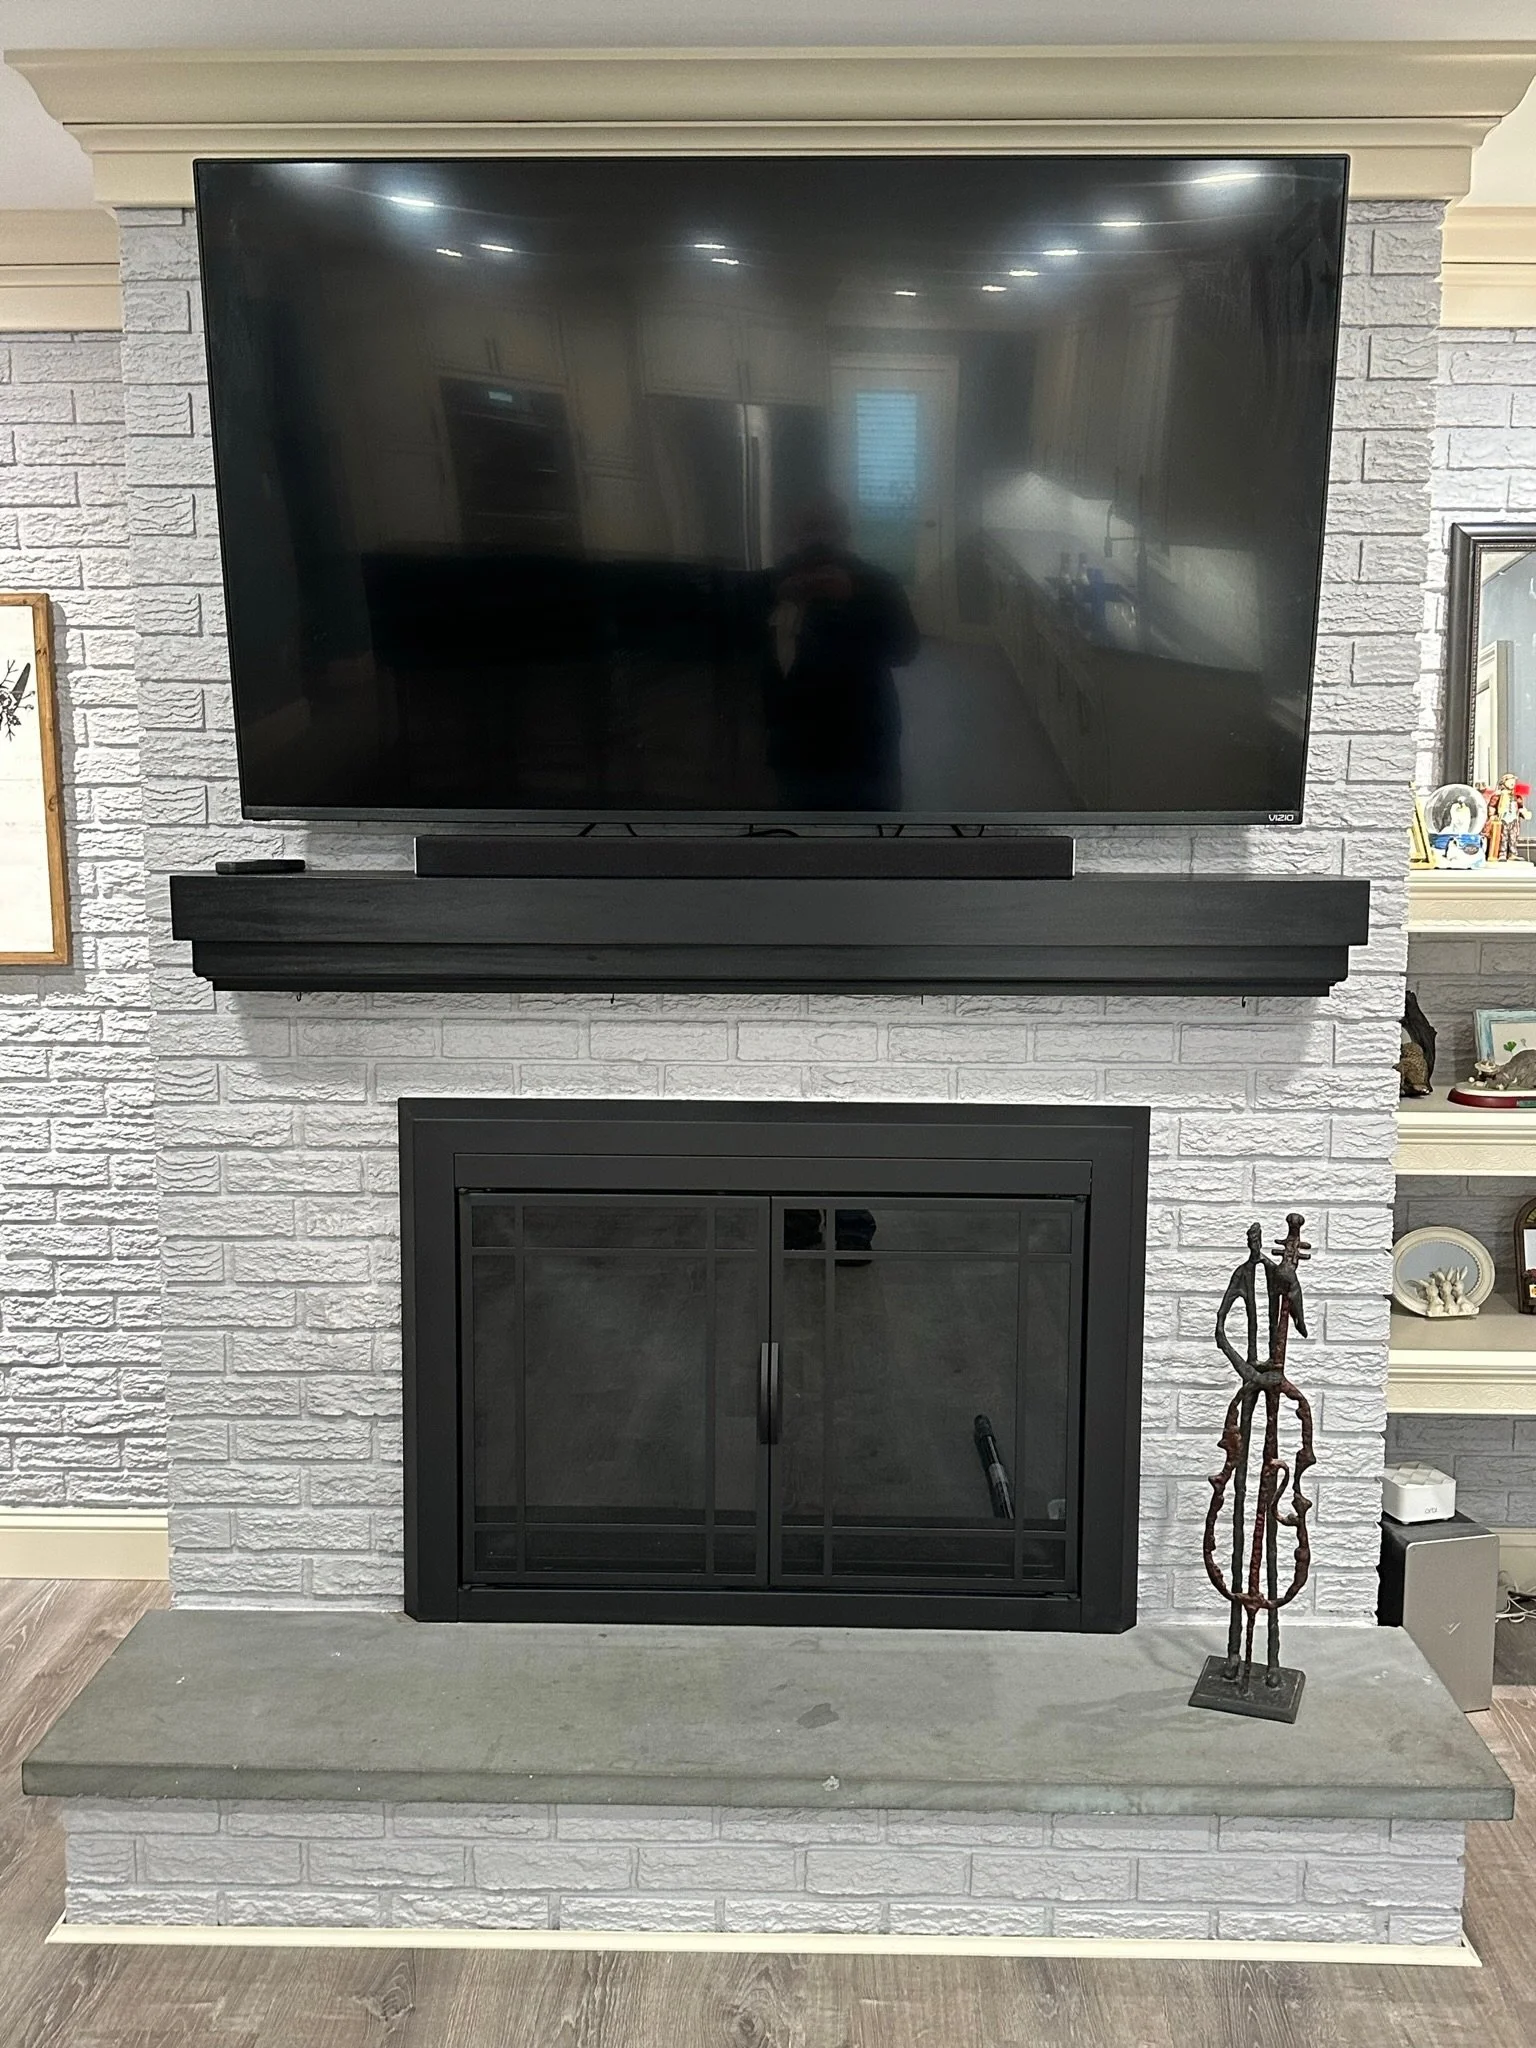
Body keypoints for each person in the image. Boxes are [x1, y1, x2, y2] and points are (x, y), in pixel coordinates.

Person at [760, 492, 920, 811]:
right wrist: (775, 597)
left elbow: (906, 650)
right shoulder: (773, 583)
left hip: (865, 741)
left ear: (845, 531)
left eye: (828, 525)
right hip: (793, 742)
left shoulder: (877, 583)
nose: (818, 535)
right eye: (809, 526)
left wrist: (854, 600)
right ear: (792, 534)